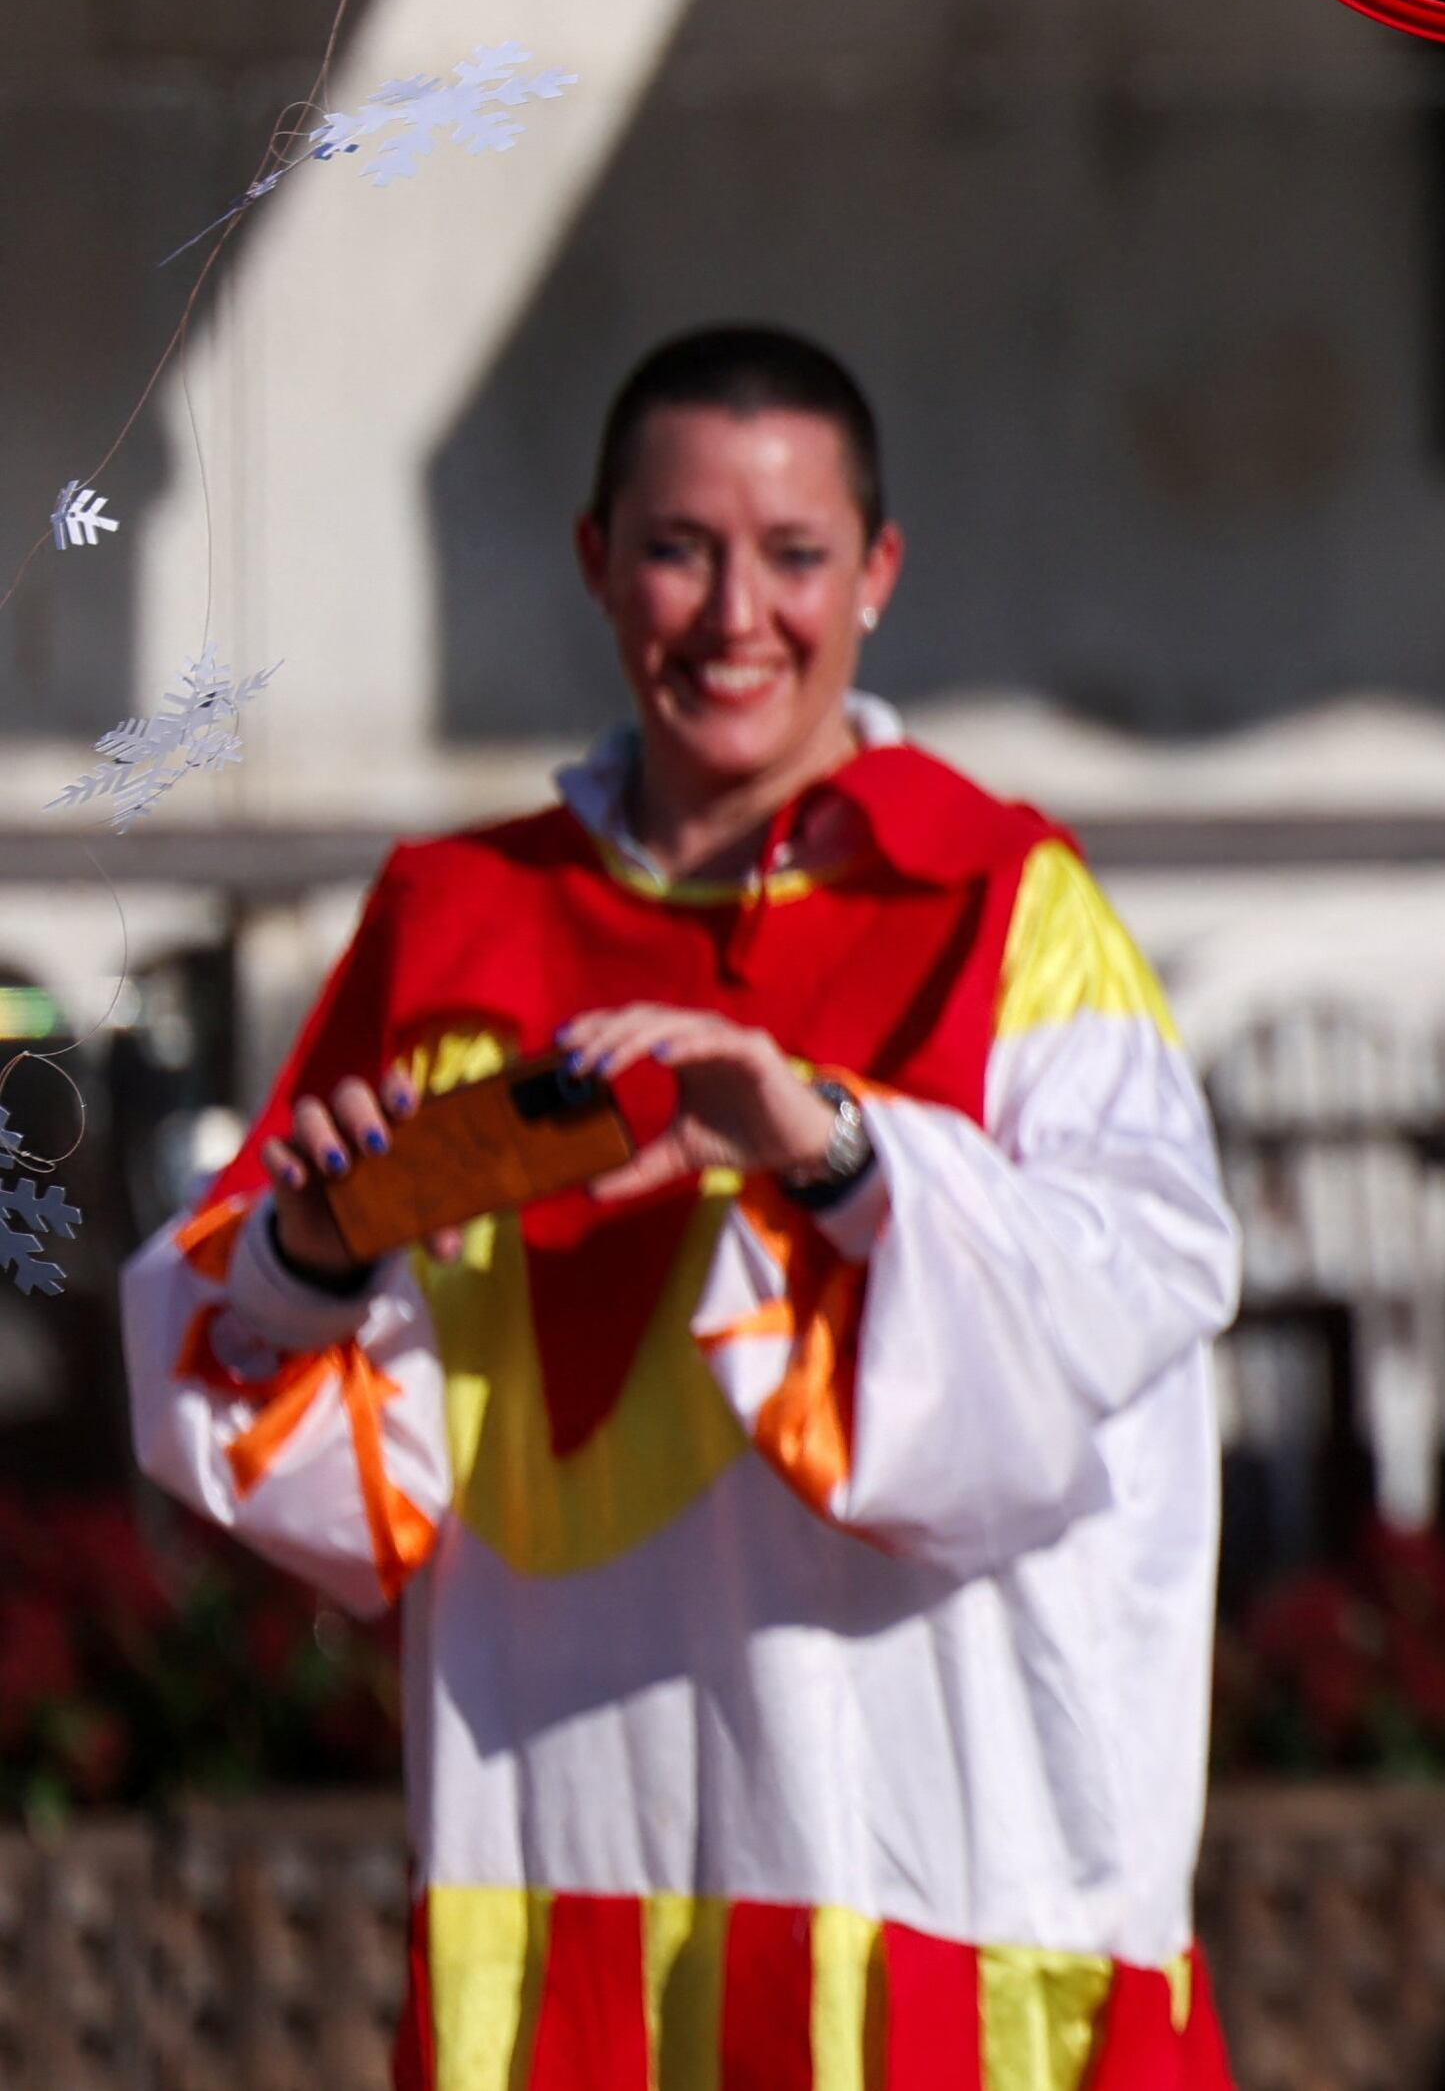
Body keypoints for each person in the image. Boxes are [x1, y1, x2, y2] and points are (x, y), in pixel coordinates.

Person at [124, 325, 1241, 2089]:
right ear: (595, 560)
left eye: (793, 553)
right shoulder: (454, 921)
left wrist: (833, 1149)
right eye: (680, 547)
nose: (737, 614)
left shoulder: (998, 896)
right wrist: (317, 1253)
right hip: (568, 1852)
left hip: (936, 1863)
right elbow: (265, 1403)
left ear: (876, 574)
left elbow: (1149, 1285)